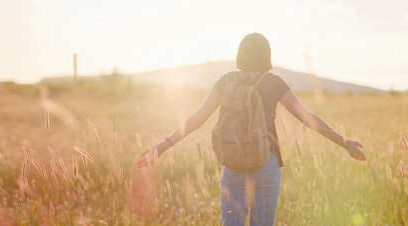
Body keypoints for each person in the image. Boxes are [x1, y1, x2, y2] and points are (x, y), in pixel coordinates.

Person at [136, 33, 366, 225]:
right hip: (266, 163)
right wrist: (344, 143)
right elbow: (308, 118)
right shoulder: (274, 83)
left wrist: (162, 147)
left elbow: (196, 119)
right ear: (266, 56)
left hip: (232, 161)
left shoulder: (226, 81)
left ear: (240, 54)